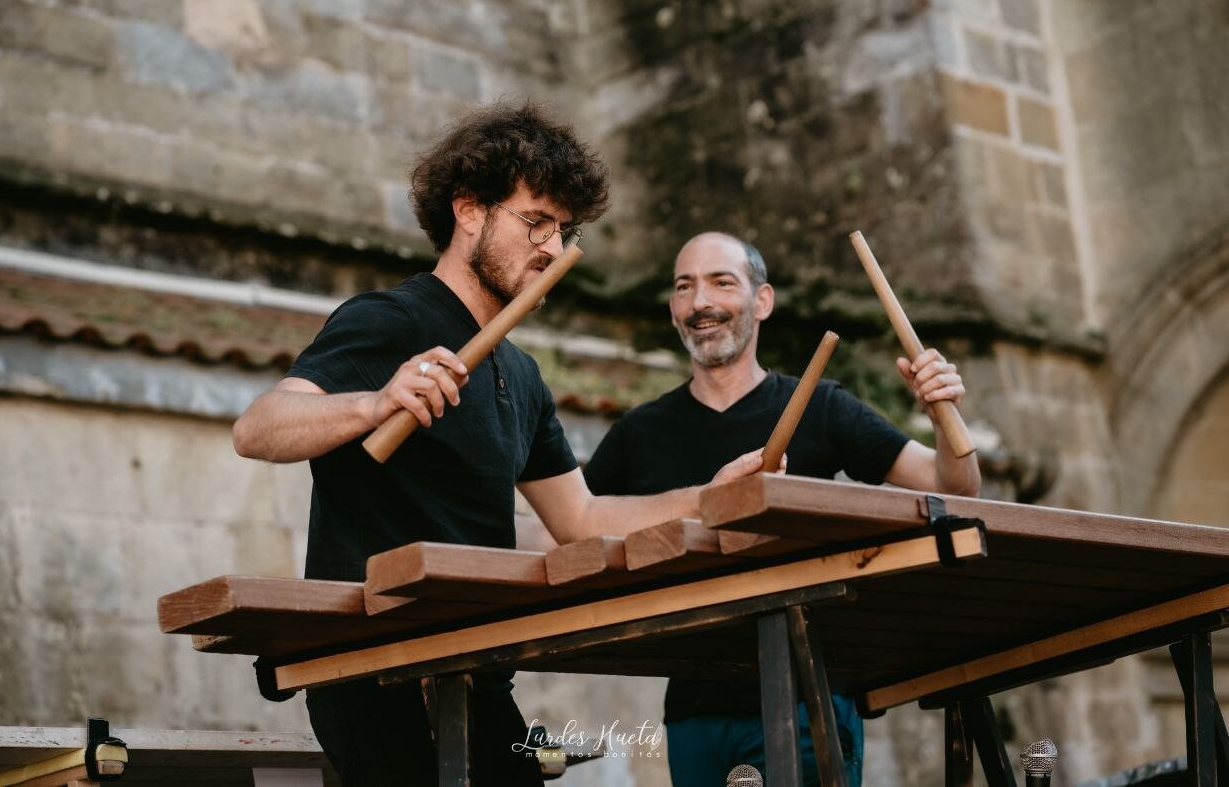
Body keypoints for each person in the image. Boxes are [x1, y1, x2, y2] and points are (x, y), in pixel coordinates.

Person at [231, 105, 767, 786]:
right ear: (469, 212)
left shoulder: (521, 374)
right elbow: (259, 427)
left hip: (477, 667)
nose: (550, 246)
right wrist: (373, 402)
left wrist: (708, 498)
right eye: (534, 221)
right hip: (376, 667)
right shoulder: (392, 320)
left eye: (563, 230)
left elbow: (581, 520)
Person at [583, 232, 981, 787]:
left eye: (722, 282)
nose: (701, 302)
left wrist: (941, 415)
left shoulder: (821, 405)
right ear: (674, 308)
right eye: (684, 287)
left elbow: (954, 488)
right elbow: (570, 527)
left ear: (762, 301)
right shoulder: (638, 433)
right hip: (693, 704)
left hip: (806, 690)